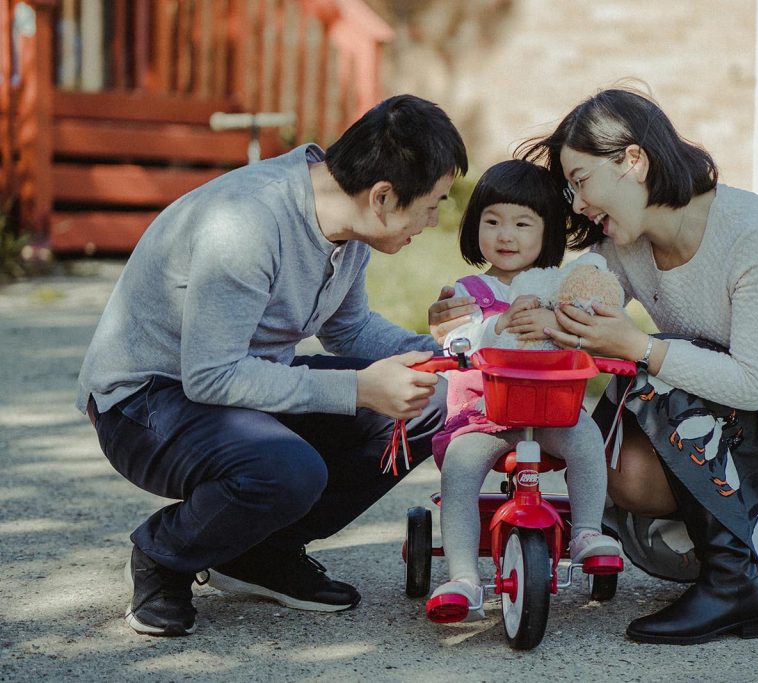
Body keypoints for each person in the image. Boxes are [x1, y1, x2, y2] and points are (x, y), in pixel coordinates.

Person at [503, 88, 758, 645]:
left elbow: (752, 383)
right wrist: (518, 312)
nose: (576, 203)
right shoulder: (627, 241)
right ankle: (711, 541)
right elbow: (578, 300)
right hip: (754, 404)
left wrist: (638, 347)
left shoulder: (749, 231)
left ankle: (732, 583)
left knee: (652, 368)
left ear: (633, 161)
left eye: (582, 180)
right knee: (617, 461)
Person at [77, 94, 468, 637]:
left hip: (233, 392)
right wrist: (357, 389)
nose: (434, 219)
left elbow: (349, 328)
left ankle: (256, 552)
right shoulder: (248, 226)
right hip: (145, 403)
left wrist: (456, 354)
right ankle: (164, 555)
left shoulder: (345, 224)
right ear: (382, 197)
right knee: (287, 471)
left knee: (434, 400)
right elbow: (210, 375)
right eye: (433, 203)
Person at [425, 160, 621, 622]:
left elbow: (586, 334)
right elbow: (456, 339)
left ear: (547, 231)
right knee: (460, 466)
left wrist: (572, 332)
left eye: (521, 223)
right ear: (474, 227)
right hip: (486, 413)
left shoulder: (560, 289)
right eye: (492, 222)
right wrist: (492, 326)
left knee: (588, 440)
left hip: (552, 411)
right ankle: (462, 577)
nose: (505, 236)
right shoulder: (469, 290)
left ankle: (587, 533)